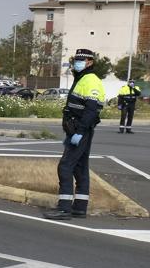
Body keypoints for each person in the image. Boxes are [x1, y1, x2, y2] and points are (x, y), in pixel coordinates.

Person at [44, 49, 105, 220]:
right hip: (77, 129)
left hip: (80, 129)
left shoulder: (91, 80)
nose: (77, 62)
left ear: (90, 62)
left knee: (65, 166)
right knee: (80, 167)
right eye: (76, 59)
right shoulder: (82, 78)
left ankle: (64, 209)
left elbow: (91, 110)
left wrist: (79, 131)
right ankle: (79, 207)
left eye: (81, 60)